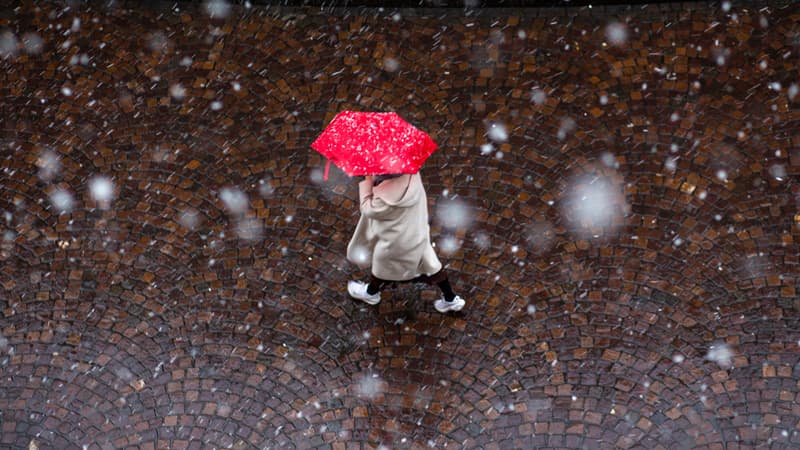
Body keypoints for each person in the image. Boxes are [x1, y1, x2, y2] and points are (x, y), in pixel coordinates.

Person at [346, 173, 465, 313]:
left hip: (396, 240)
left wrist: (368, 181)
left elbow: (368, 209)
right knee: (431, 266)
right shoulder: (412, 176)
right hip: (415, 232)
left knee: (383, 267)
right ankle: (450, 298)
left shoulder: (384, 198)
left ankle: (371, 293)